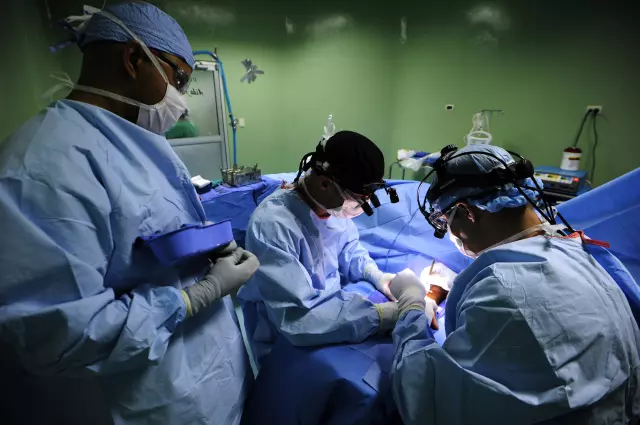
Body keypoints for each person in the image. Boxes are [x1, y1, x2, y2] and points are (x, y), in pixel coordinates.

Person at [0, 3, 259, 425]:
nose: (182, 101)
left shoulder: (134, 141)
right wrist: (197, 294)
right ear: (134, 58)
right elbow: (65, 336)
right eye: (179, 79)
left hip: (203, 380)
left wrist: (207, 248)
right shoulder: (44, 166)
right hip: (144, 401)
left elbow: (145, 236)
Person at [388, 144, 640, 424]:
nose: (450, 232)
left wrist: (411, 305)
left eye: (445, 221)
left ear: (466, 212)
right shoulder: (577, 250)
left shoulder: (500, 294)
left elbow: (425, 397)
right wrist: (457, 282)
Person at [237, 131, 400, 367]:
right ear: (325, 183)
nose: (359, 208)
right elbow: (298, 319)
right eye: (357, 200)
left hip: (332, 319)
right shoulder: (272, 225)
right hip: (287, 340)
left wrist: (376, 275)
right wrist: (382, 316)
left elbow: (348, 249)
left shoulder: (330, 205)